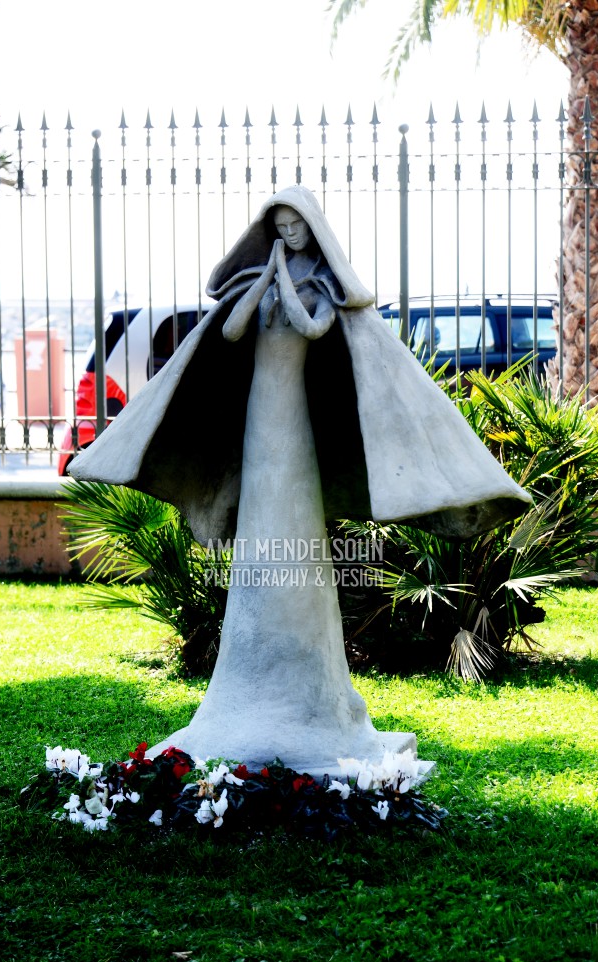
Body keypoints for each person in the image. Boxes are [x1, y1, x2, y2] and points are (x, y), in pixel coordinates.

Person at [70, 186, 531, 773]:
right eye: (279, 227)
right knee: (262, 523)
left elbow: (313, 329)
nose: (287, 236)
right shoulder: (258, 279)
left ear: (310, 230)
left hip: (297, 428)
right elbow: (235, 330)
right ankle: (247, 689)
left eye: (295, 227)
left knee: (292, 520)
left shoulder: (319, 287)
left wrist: (287, 280)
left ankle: (311, 696)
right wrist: (263, 280)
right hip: (261, 416)